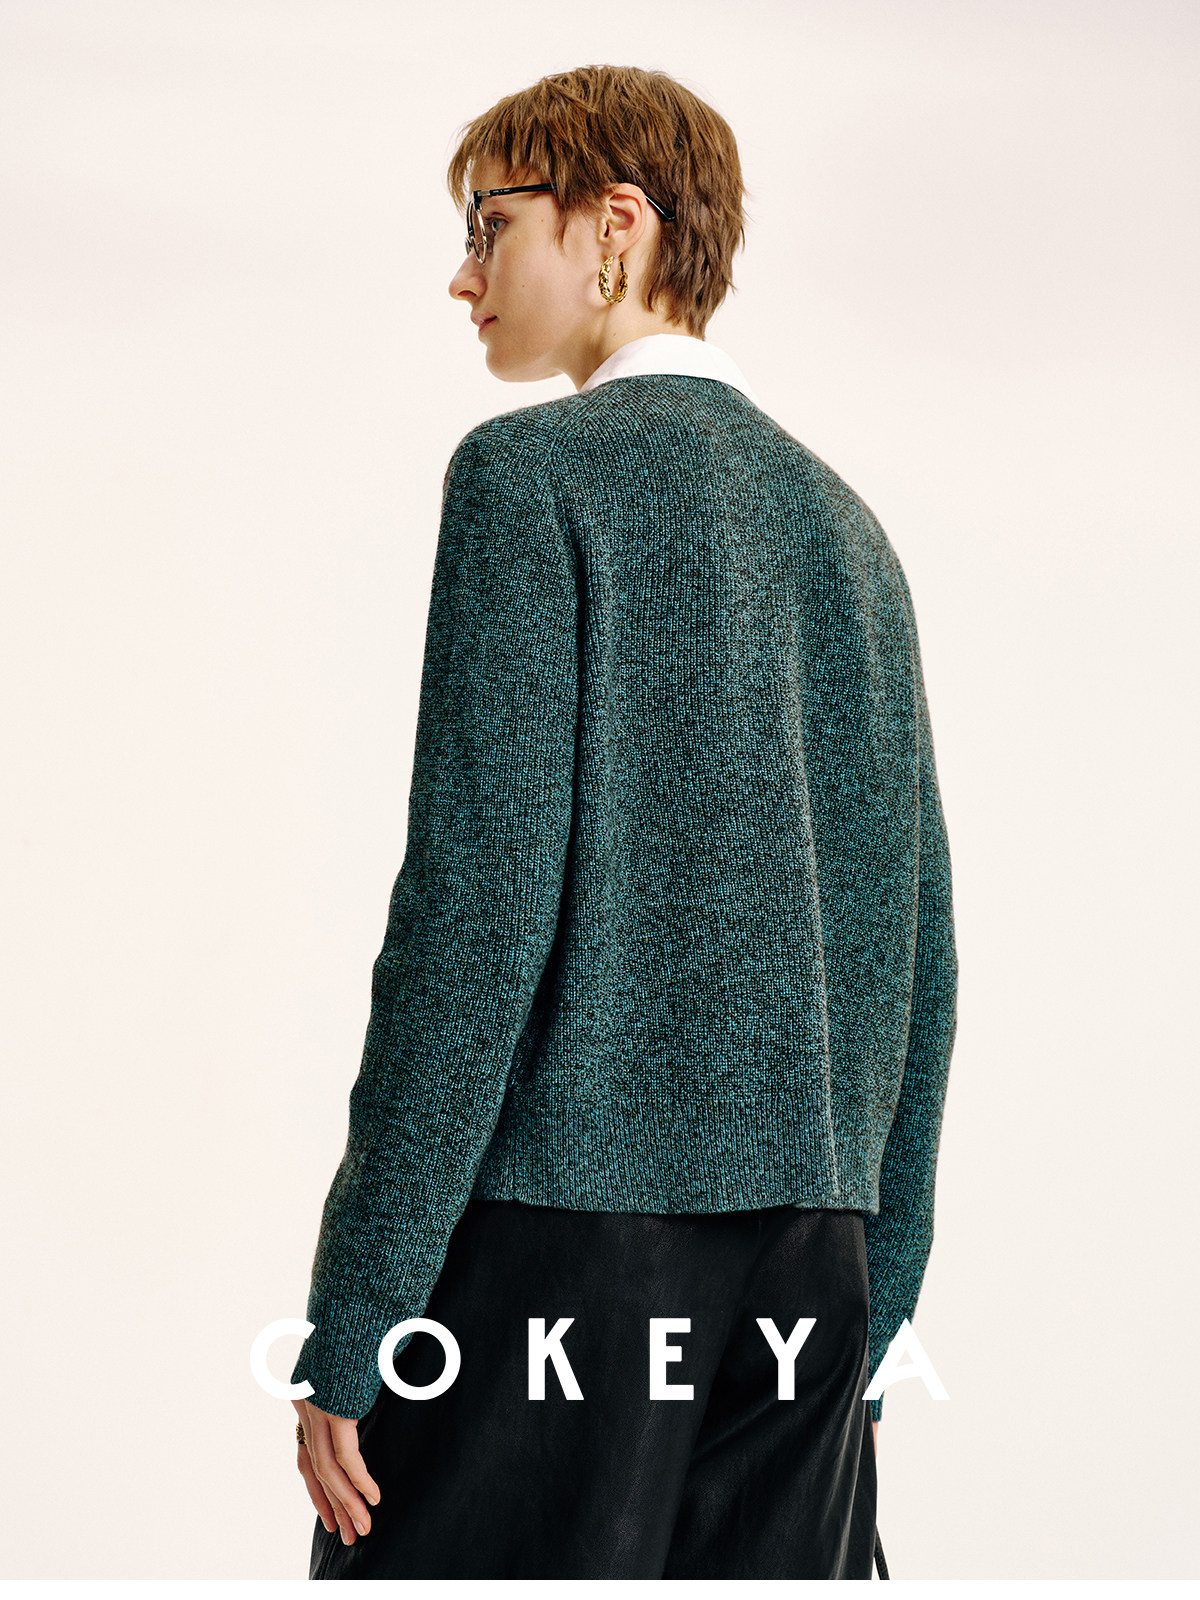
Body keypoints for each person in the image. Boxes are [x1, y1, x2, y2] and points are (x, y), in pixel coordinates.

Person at [288, 63, 958, 1580]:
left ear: (617, 225)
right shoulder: (849, 530)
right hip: (812, 1271)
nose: (463, 275)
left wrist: (362, 1313)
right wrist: (875, 1308)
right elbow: (922, 955)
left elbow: (473, 920)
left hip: (564, 1259)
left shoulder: (528, 480)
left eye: (492, 223)